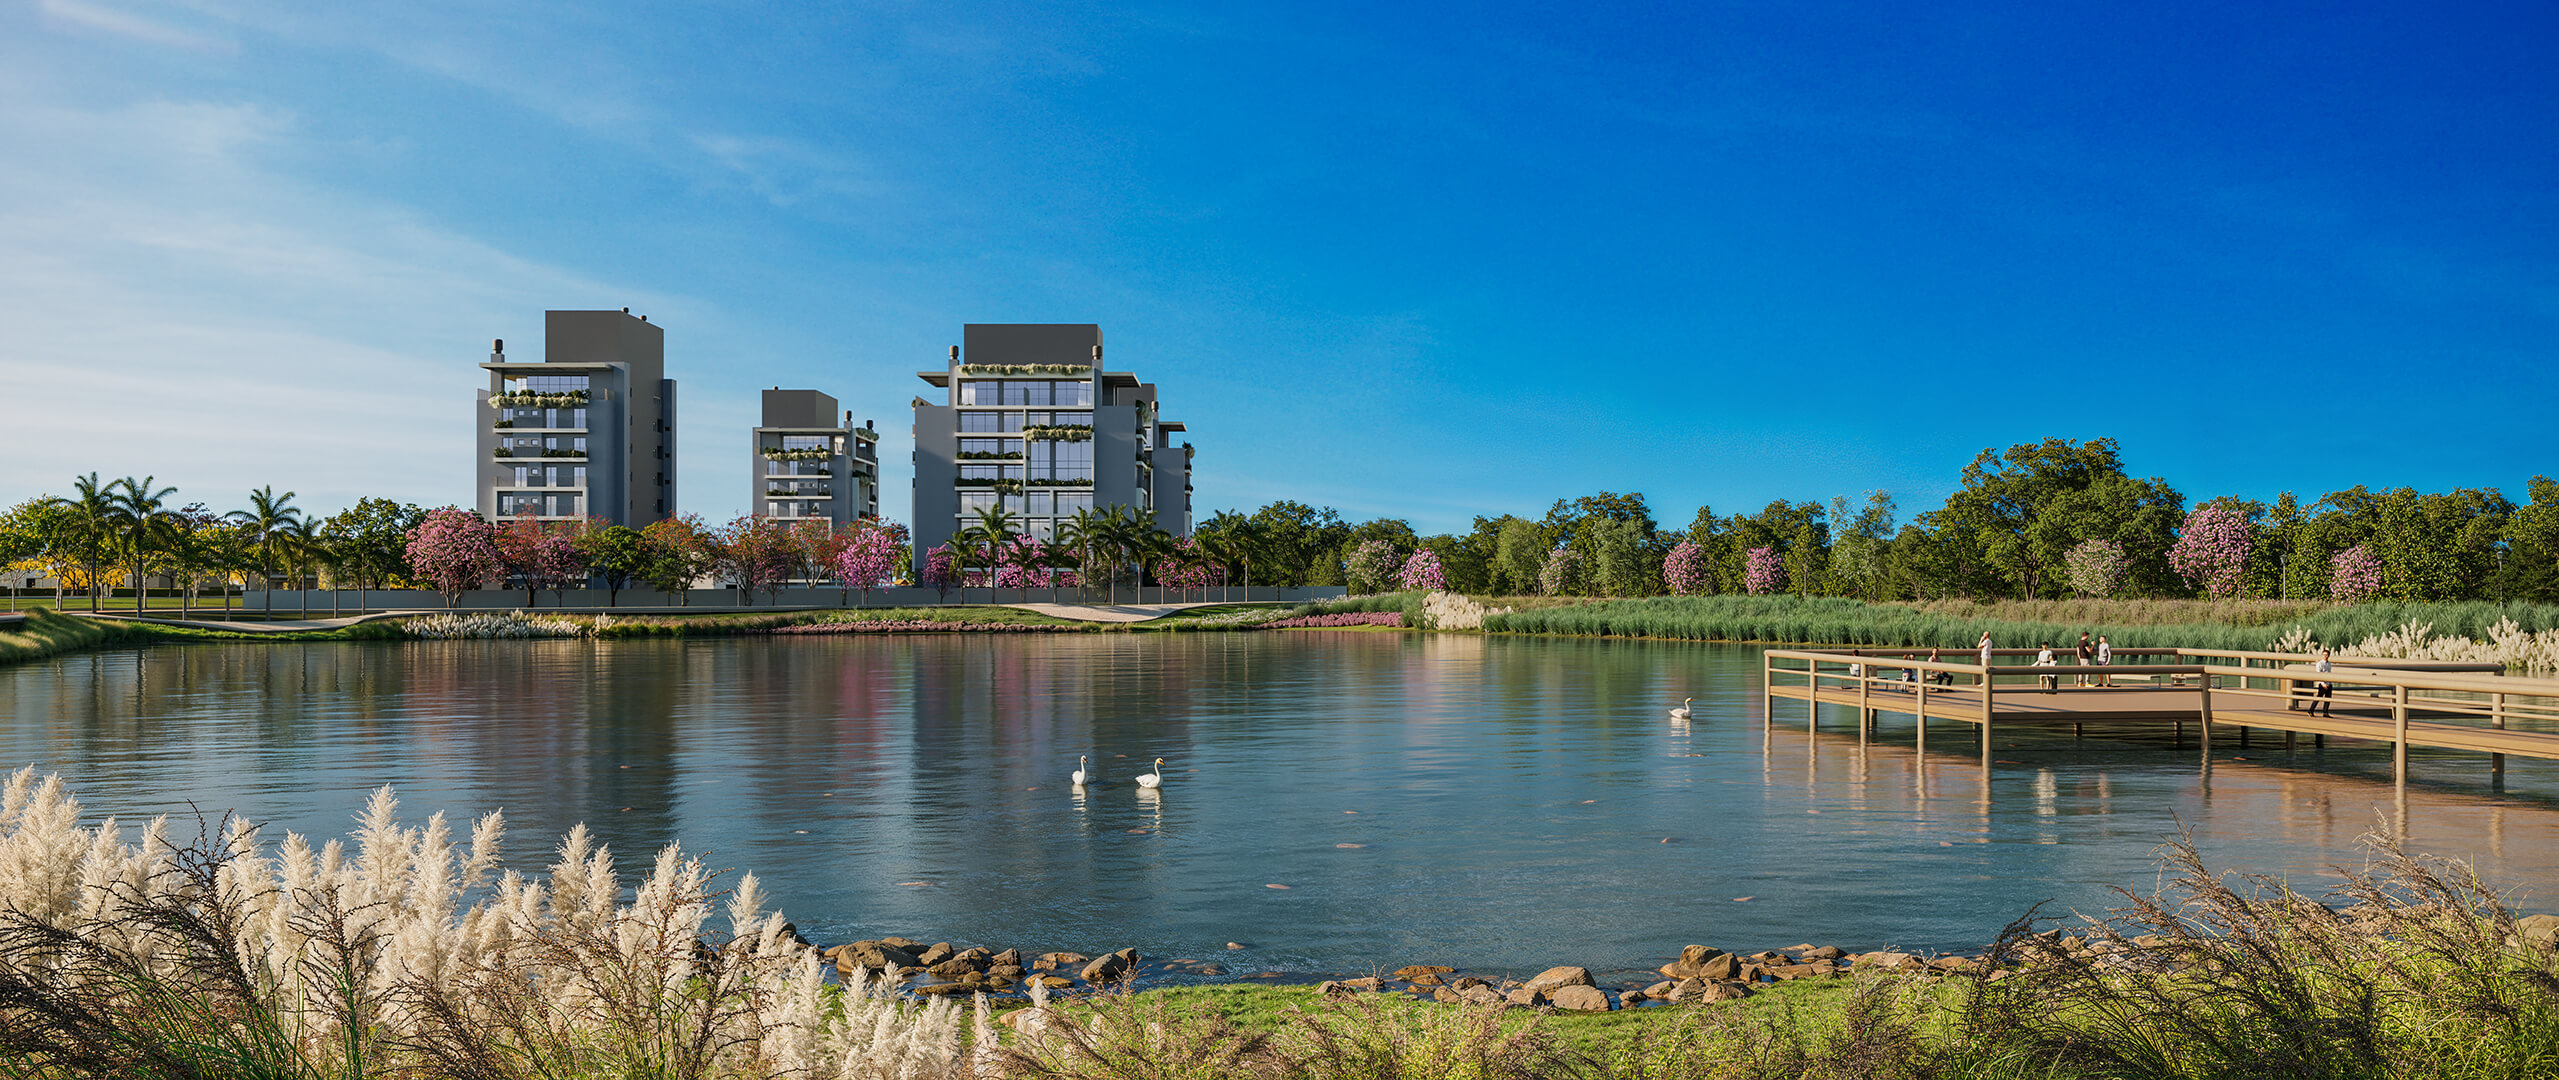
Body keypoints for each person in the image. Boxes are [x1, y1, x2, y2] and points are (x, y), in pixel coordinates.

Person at [2309, 647, 2335, 716]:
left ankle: (2325, 712)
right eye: (2324, 655)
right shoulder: (2319, 664)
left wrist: (2329, 683)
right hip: (2322, 684)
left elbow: (2329, 673)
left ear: (2329, 656)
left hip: (2329, 683)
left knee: (2328, 699)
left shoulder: (2329, 664)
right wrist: (2323, 684)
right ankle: (2311, 710)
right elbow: (2318, 674)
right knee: (2318, 697)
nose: (2325, 656)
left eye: (2326, 655)